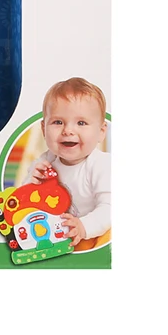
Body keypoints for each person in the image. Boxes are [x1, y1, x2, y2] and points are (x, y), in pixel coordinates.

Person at [25, 77, 110, 247]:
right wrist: (31, 182)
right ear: (44, 129)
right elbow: (26, 203)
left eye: (81, 123)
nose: (68, 130)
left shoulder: (102, 165)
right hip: (57, 237)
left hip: (92, 236)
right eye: (58, 122)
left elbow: (111, 208)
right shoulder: (45, 162)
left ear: (101, 132)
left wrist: (83, 227)